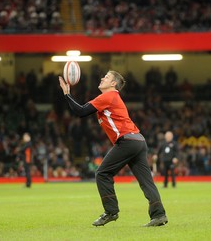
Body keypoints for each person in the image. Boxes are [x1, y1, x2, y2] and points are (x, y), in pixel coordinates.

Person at [58, 70, 168, 227]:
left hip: (128, 141)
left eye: (106, 77)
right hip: (138, 140)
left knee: (102, 174)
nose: (102, 78)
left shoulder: (107, 96)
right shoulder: (112, 97)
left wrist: (67, 94)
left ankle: (111, 212)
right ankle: (159, 215)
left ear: (113, 84)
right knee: (146, 182)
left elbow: (81, 111)